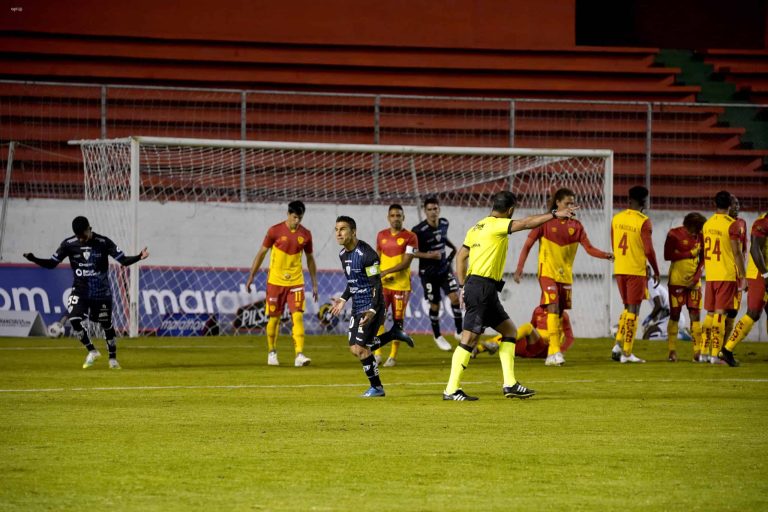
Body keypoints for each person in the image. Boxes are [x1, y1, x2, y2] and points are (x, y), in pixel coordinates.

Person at [442, 190, 578, 401]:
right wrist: (554, 214)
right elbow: (526, 223)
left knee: (510, 331)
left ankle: (510, 384)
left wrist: (462, 286)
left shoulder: (477, 227)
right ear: (510, 210)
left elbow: (461, 257)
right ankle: (451, 389)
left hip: (480, 287)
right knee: (469, 337)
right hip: (481, 288)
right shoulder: (498, 225)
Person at [23, 216, 148, 369]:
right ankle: (92, 350)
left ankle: (113, 359)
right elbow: (51, 263)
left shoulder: (103, 242)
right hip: (80, 290)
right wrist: (34, 258)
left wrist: (139, 257)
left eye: (83, 235)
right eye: (78, 237)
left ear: (89, 229)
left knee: (106, 325)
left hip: (101, 292)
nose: (81, 239)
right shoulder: (68, 244)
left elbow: (123, 261)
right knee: (74, 319)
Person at [513, 187, 612, 366]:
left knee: (559, 312)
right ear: (557, 203)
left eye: (573, 203)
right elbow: (527, 244)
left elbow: (589, 249)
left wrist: (606, 255)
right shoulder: (544, 222)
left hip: (565, 276)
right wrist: (520, 268)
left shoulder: (577, 226)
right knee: (552, 307)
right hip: (547, 272)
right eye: (567, 203)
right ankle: (554, 352)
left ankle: (553, 353)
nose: (571, 206)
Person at [329, 216, 413, 397]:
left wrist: (373, 310)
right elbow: (353, 282)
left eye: (343, 229)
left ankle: (377, 387)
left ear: (353, 232)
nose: (338, 233)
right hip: (357, 305)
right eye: (336, 229)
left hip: (372, 306)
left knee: (361, 349)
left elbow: (376, 284)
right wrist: (343, 299)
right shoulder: (343, 255)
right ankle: (393, 334)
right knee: (355, 349)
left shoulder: (368, 255)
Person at [245, 200, 318, 367]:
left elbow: (310, 259)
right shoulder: (274, 231)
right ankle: (272, 352)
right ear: (288, 214)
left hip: (296, 282)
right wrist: (251, 276)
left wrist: (314, 282)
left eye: (300, 218)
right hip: (275, 282)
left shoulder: (306, 235)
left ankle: (299, 354)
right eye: (294, 217)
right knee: (274, 319)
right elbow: (261, 254)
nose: (297, 221)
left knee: (298, 317)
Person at [610, 185, 660, 363]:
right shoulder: (643, 221)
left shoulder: (616, 219)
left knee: (626, 308)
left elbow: (613, 242)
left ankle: (618, 345)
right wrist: (655, 269)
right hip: (635, 270)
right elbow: (649, 249)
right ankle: (627, 353)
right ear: (643, 201)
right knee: (634, 309)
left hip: (620, 268)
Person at [701, 191, 746, 365]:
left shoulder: (707, 224)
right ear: (729, 205)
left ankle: (704, 352)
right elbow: (736, 252)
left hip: (711, 274)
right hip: (726, 274)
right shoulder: (732, 225)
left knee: (711, 314)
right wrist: (743, 276)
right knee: (721, 314)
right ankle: (715, 355)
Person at [412, 196, 461, 351]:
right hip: (428, 273)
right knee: (435, 304)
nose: (433, 212)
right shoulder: (418, 230)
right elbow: (412, 252)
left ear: (439, 209)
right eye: (429, 210)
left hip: (444, 268)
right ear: (425, 211)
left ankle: (459, 331)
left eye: (435, 209)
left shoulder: (444, 223)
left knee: (455, 297)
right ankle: (437, 335)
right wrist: (429, 255)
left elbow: (442, 237)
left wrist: (453, 248)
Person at [720, 211, 768, 366]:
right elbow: (755, 250)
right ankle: (727, 350)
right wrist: (766, 275)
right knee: (753, 313)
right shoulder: (762, 223)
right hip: (760, 274)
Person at [375, 204, 420, 367]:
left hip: (401, 286)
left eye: (398, 215)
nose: (395, 218)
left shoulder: (410, 237)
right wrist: (373, 275)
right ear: (388, 218)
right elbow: (377, 258)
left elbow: (407, 262)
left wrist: (385, 272)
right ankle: (377, 353)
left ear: (403, 217)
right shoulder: (381, 235)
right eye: (392, 215)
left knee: (397, 321)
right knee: (377, 319)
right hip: (383, 286)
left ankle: (392, 356)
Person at [664, 212, 706, 362]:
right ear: (691, 226)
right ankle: (672, 351)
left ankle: (697, 352)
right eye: (698, 229)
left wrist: (696, 277)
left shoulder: (700, 235)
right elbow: (667, 255)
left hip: (694, 283)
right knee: (675, 314)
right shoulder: (673, 235)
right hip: (677, 281)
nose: (699, 232)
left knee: (695, 315)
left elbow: (703, 259)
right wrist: (689, 253)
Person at [479, 305, 575, 359]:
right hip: (530, 347)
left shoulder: (562, 315)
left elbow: (569, 337)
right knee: (510, 336)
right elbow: (532, 328)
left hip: (544, 347)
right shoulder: (538, 310)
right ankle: (478, 349)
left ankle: (496, 344)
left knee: (526, 328)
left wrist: (560, 350)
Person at [724, 196, 748, 342]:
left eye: (739, 203)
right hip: (724, 273)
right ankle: (709, 348)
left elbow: (743, 250)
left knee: (733, 311)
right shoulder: (721, 224)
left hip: (737, 274)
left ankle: (724, 346)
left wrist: (743, 273)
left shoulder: (742, 223)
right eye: (734, 204)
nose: (737, 206)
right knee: (718, 312)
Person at [641, 267, 671, 340]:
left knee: (647, 334)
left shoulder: (650, 283)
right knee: (651, 334)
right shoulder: (650, 284)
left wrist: (649, 318)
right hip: (668, 317)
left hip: (671, 317)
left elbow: (658, 305)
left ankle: (680, 335)